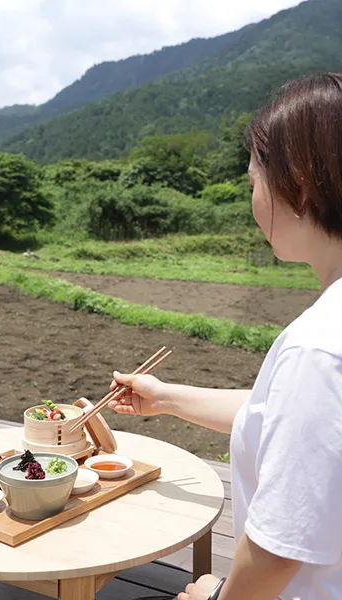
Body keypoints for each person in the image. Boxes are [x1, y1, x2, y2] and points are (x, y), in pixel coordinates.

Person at [109, 73, 342, 600]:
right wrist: (163, 397)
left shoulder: (318, 346)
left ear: (299, 187)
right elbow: (284, 418)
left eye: (253, 181)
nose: (252, 197)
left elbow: (277, 551)